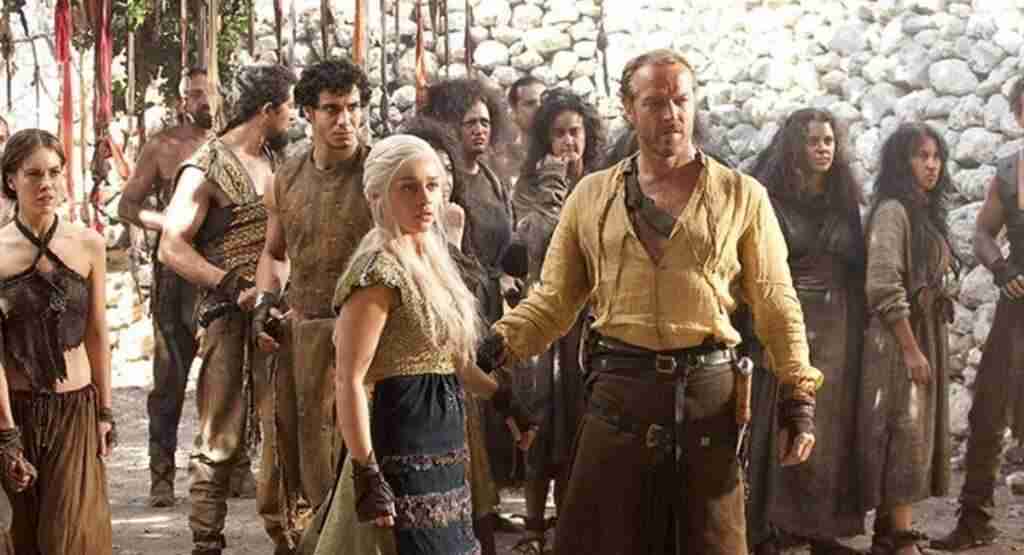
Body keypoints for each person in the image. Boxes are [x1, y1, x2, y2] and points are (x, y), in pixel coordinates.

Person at [477, 48, 821, 555]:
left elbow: (775, 299)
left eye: (681, 100)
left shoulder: (741, 195)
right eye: (655, 102)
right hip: (620, 394)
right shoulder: (592, 197)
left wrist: (799, 395)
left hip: (707, 400)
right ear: (629, 108)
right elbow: (553, 300)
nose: (671, 114)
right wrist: (494, 348)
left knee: (709, 544)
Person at [309, 134, 533, 555]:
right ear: (377, 195)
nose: (425, 198)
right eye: (408, 187)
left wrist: (503, 399)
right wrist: (366, 471)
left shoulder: (432, 262)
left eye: (432, 185)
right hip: (398, 439)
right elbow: (349, 379)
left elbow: (453, 362)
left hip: (444, 441)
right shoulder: (378, 272)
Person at [159, 63, 296, 555]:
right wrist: (231, 285)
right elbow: (171, 246)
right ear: (268, 110)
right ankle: (206, 539)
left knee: (284, 427)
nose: (294, 118)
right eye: (290, 108)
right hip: (227, 315)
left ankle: (289, 535)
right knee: (219, 432)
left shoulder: (277, 161)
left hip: (277, 316)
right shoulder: (207, 166)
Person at [117, 66, 258, 507]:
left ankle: (234, 469)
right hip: (177, 278)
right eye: (194, 94)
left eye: (209, 92)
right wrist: (171, 226)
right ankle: (161, 476)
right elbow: (127, 205)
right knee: (170, 377)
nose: (204, 101)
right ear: (182, 102)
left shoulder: (235, 147)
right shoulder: (163, 147)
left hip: (222, 276)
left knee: (231, 372)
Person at [251, 57, 373, 552]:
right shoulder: (287, 177)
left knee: (359, 462)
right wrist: (265, 300)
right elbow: (274, 254)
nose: (345, 120)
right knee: (300, 462)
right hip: (305, 336)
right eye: (332, 109)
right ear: (307, 113)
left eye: (354, 107)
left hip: (368, 341)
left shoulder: (380, 173)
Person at [745, 108, 867, 555]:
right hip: (786, 322)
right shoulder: (769, 199)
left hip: (837, 328)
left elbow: (857, 266)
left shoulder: (842, 201)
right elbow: (755, 269)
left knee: (829, 428)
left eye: (828, 141)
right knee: (777, 423)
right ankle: (767, 529)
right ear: (794, 146)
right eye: (813, 141)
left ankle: (819, 529)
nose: (822, 149)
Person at [0, 128, 114, 553]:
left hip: (76, 411)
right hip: (16, 411)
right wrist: (6, 434)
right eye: (33, 174)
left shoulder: (89, 244)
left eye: (54, 172)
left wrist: (105, 411)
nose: (46, 184)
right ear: (11, 180)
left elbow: (97, 332)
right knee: (21, 538)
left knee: (71, 536)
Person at [421, 77, 524, 544]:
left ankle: (488, 501)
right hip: (454, 296)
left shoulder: (493, 179)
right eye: (469, 123)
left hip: (489, 299)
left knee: (491, 402)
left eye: (485, 121)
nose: (480, 130)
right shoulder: (443, 187)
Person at [510, 87, 605, 555]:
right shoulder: (528, 188)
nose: (569, 142)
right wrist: (552, 194)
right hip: (545, 313)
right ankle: (532, 524)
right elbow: (533, 247)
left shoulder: (604, 184)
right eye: (559, 134)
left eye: (576, 132)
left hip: (589, 318)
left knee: (581, 416)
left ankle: (572, 522)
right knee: (540, 415)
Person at [932, 79, 1024, 552]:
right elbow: (984, 233)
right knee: (989, 407)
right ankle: (975, 521)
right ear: (1018, 115)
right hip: (1018, 304)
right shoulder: (1010, 172)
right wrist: (1002, 268)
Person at [857, 123, 958, 555]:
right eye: (921, 156)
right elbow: (882, 284)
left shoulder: (924, 212)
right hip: (898, 339)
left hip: (923, 332)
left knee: (913, 433)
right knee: (903, 432)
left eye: (936, 156)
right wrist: (911, 349)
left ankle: (887, 534)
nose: (931, 165)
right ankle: (901, 539)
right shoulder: (892, 211)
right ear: (903, 162)